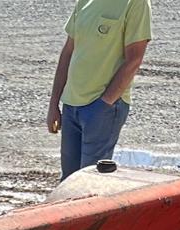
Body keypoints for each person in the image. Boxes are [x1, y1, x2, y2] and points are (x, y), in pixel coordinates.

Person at [47, 0, 152, 180]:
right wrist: (54, 104)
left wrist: (105, 103)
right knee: (68, 181)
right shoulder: (86, 2)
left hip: (102, 109)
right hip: (71, 105)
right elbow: (68, 52)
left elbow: (134, 59)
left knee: (89, 183)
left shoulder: (136, 3)